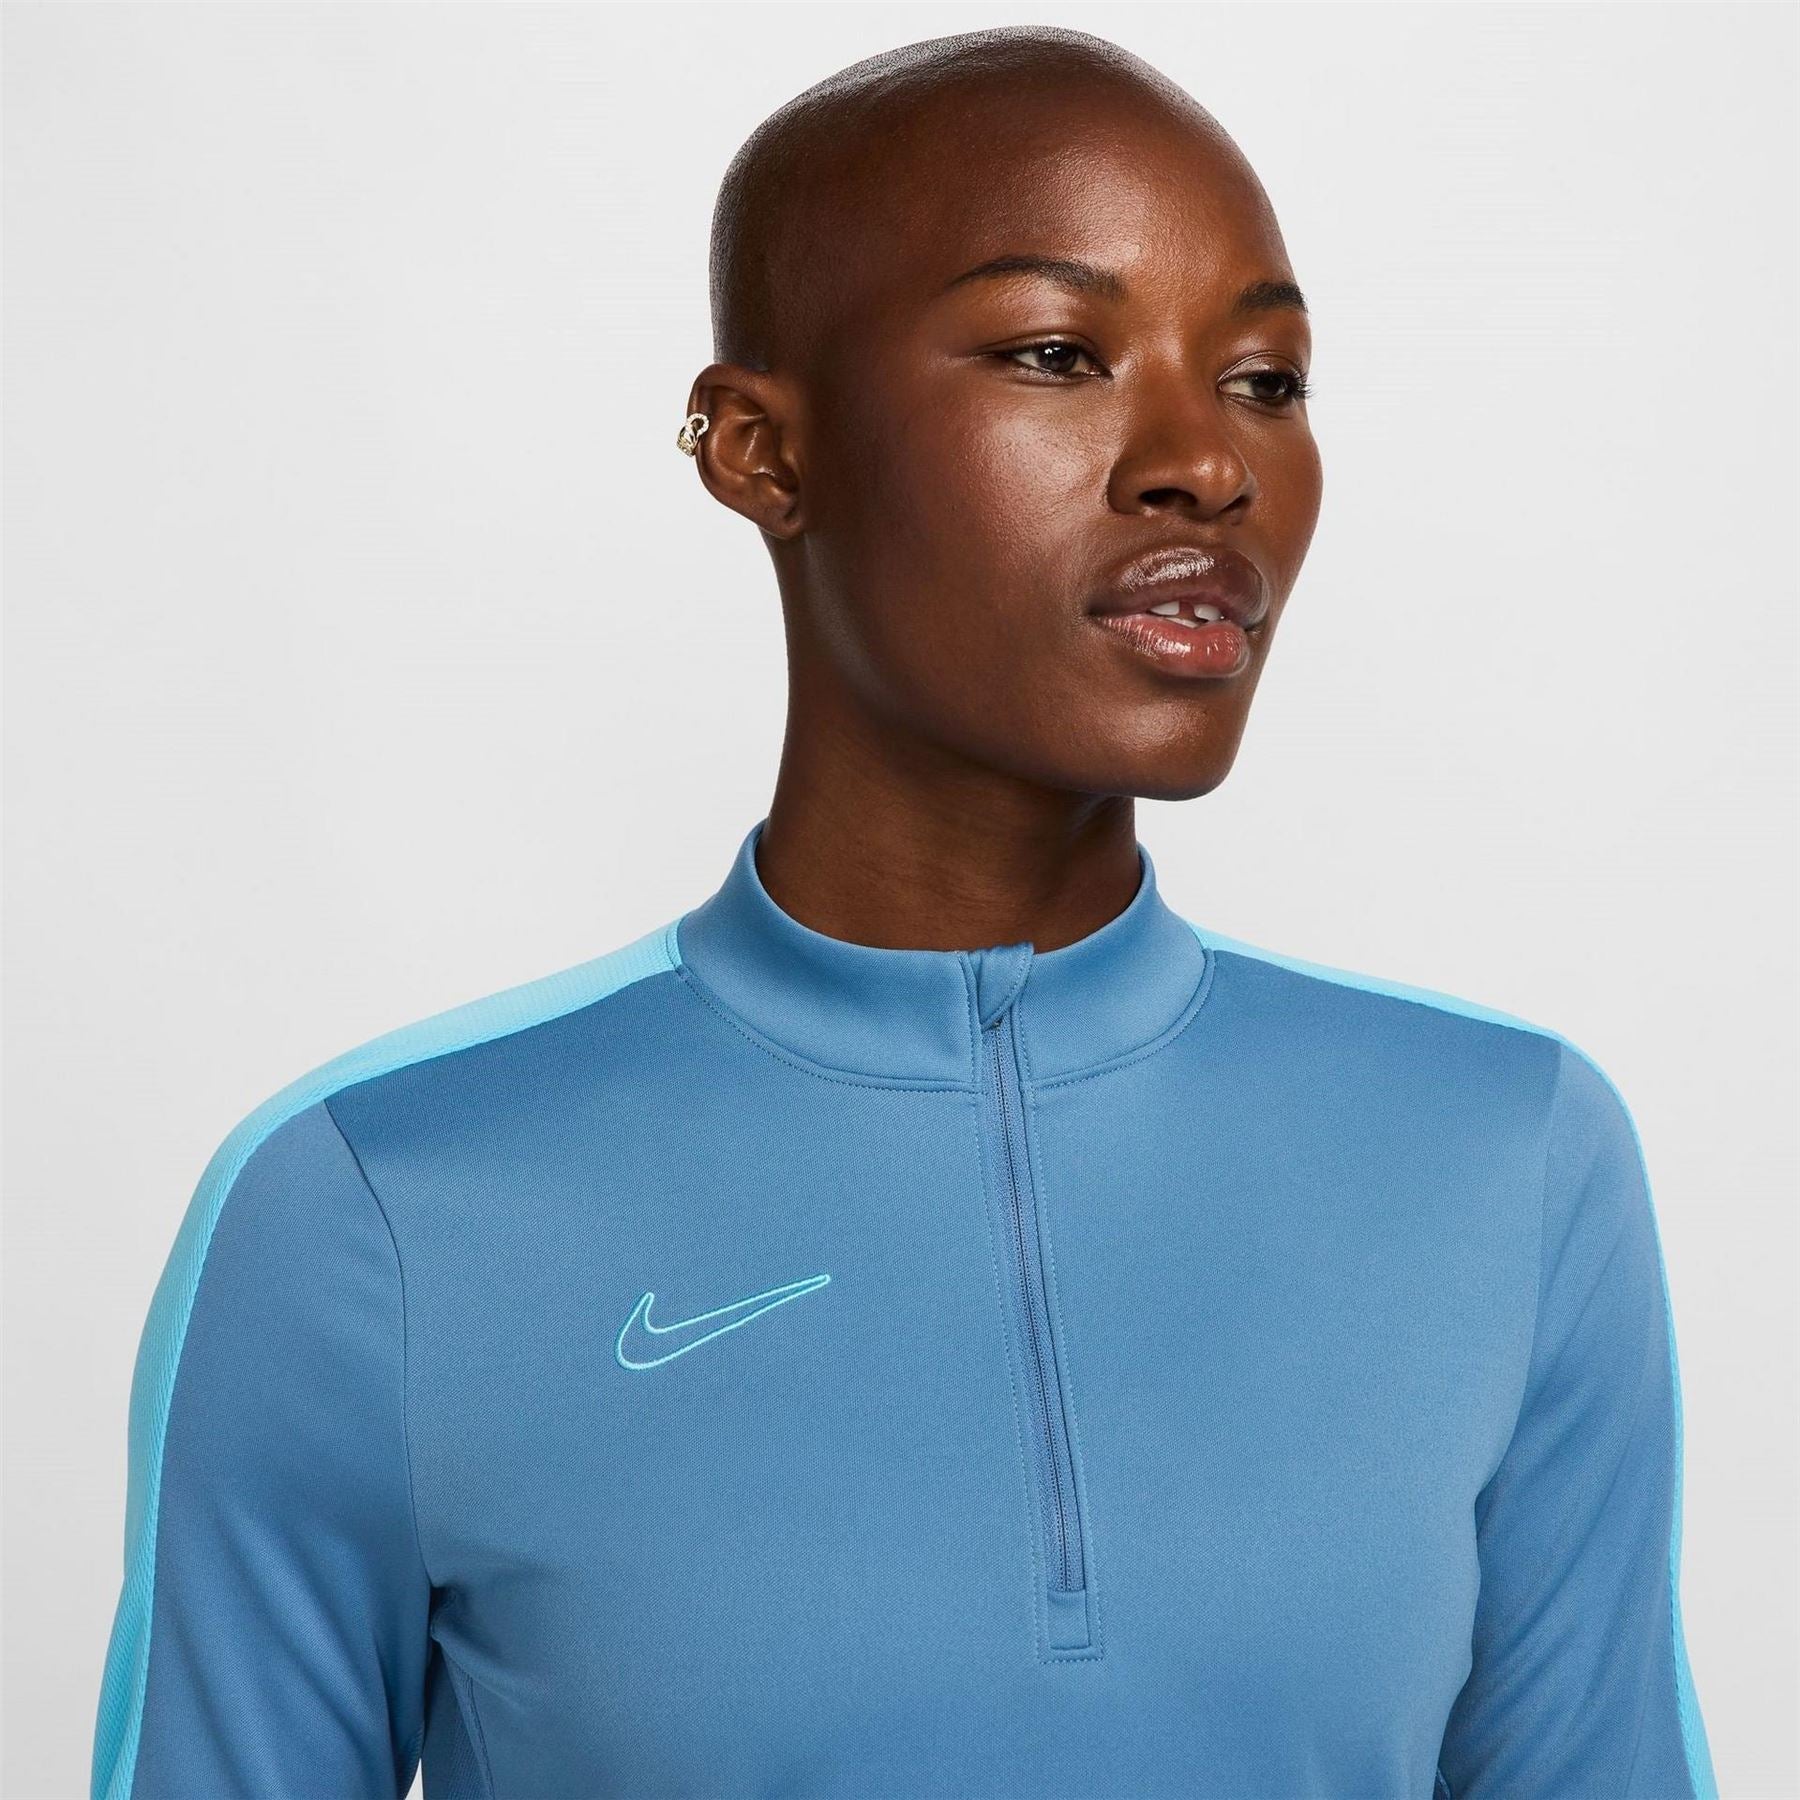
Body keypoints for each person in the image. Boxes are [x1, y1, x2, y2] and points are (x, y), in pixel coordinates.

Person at [90, 24, 1719, 1800]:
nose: (1205, 463)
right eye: (1057, 353)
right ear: (758, 451)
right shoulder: (378, 1208)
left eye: (1265, 379)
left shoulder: (1506, 1158)